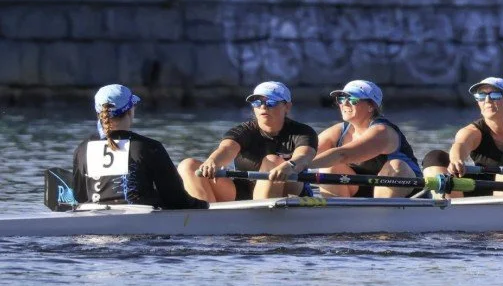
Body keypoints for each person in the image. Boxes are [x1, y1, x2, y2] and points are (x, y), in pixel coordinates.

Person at [70, 84, 208, 209]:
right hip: (141, 223)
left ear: (98, 114)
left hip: (93, 222)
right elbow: (176, 199)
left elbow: (80, 197)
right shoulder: (148, 148)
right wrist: (204, 205)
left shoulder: (82, 149)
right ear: (130, 111)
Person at [178, 81, 318, 202]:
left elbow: (304, 156)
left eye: (271, 102)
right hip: (243, 192)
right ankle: (206, 217)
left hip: (290, 190)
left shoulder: (303, 132)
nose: (263, 107)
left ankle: (264, 219)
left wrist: (290, 165)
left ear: (287, 106)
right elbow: (226, 149)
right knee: (188, 165)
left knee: (273, 161)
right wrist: (213, 161)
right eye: (257, 102)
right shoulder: (242, 131)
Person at [422, 77, 503, 197]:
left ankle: (501, 208)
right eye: (481, 95)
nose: (487, 100)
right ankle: (451, 208)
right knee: (434, 157)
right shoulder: (471, 131)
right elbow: (460, 145)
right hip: (486, 188)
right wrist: (456, 160)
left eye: (495, 95)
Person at [308, 80, 422, 198]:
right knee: (329, 168)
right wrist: (296, 160)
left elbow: (343, 155)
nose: (345, 103)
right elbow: (307, 151)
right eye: (341, 98)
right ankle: (340, 208)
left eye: (353, 99)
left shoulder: (382, 131)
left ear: (371, 106)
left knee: (396, 165)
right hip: (362, 188)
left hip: (408, 191)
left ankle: (380, 209)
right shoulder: (338, 131)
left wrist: (300, 165)